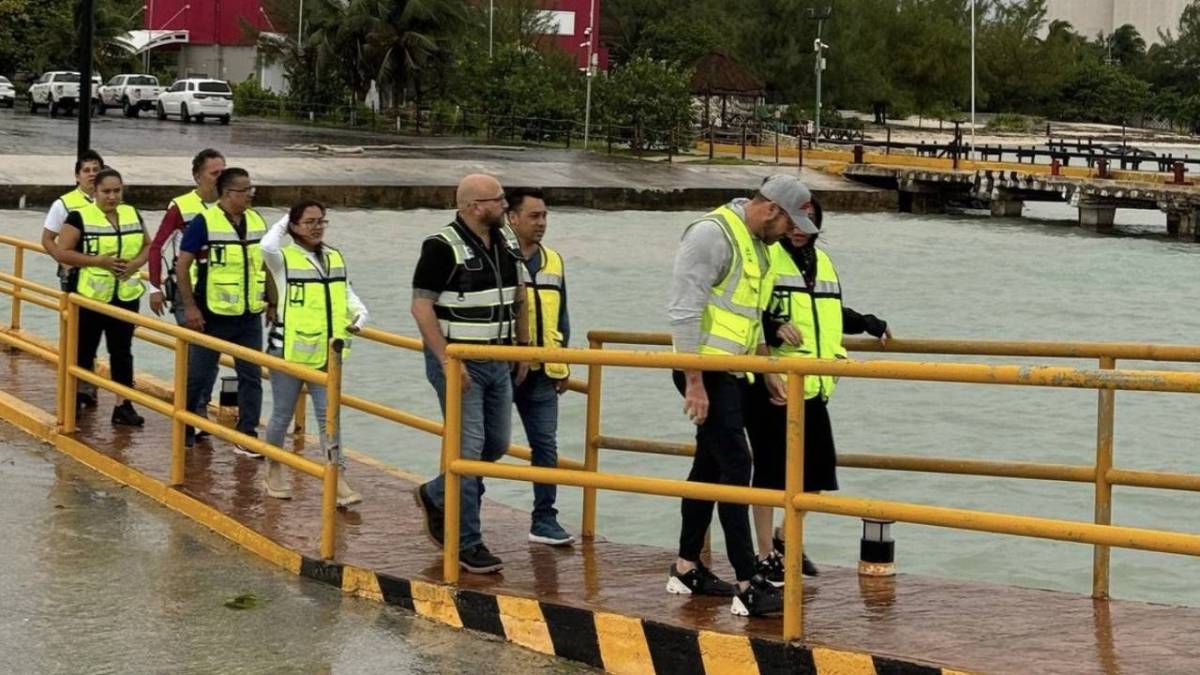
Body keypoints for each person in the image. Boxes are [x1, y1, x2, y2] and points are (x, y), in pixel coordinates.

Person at [665, 174, 816, 618]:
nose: (792, 236)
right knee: (737, 465)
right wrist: (693, 381)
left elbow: (749, 317)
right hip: (704, 370)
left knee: (708, 468)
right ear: (771, 209)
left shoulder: (761, 246)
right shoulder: (712, 234)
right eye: (790, 225)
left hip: (732, 371)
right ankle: (748, 582)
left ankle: (685, 566)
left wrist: (765, 369)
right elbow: (684, 308)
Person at [746, 198, 891, 583]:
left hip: (815, 386)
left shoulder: (823, 264)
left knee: (817, 474)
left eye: (807, 222)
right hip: (775, 380)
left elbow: (827, 313)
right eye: (793, 220)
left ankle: (784, 536)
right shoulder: (766, 257)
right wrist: (774, 325)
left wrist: (869, 323)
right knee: (769, 471)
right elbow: (744, 307)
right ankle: (765, 554)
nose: (798, 228)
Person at [410, 173, 530, 575]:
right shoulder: (442, 247)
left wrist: (524, 347)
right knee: (469, 449)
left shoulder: (508, 240)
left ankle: (435, 492)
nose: (504, 206)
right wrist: (446, 360)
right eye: (497, 200)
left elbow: (520, 294)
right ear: (473, 207)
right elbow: (421, 307)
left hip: (498, 356)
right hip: (459, 360)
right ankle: (467, 540)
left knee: (495, 445)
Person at [260, 200, 368, 506]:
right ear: (293, 227)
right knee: (282, 413)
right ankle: (273, 467)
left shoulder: (334, 257)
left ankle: (337, 478)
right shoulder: (282, 259)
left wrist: (360, 316)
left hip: (326, 352)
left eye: (321, 221)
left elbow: (348, 293)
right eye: (309, 222)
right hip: (289, 351)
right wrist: (287, 219)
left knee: (328, 417)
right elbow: (266, 245)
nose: (317, 227)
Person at [175, 168, 267, 453]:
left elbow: (267, 265)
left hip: (249, 314)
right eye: (245, 190)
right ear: (228, 193)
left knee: (251, 376)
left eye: (252, 189)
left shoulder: (256, 221)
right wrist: (190, 307)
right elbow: (182, 266)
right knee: (198, 375)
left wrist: (272, 303)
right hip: (211, 315)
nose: (251, 194)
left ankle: (247, 434)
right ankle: (185, 426)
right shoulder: (205, 222)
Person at [52, 168, 148, 426]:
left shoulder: (131, 213)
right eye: (106, 191)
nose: (112, 196)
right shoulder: (79, 217)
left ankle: (123, 404)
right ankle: (75, 397)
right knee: (83, 350)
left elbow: (148, 245)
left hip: (124, 296)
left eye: (117, 191)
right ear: (95, 191)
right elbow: (63, 252)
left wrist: (135, 264)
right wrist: (98, 261)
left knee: (122, 352)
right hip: (90, 297)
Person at [505, 187, 574, 546]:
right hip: (503, 369)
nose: (542, 223)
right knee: (486, 444)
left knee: (545, 445)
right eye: (534, 216)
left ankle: (544, 518)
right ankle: (457, 506)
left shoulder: (554, 261)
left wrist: (564, 363)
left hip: (544, 371)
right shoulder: (497, 258)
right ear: (511, 218)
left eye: (545, 216)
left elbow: (562, 316)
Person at [42, 150, 105, 405]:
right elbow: (47, 239)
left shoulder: (110, 201)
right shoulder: (65, 204)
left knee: (99, 333)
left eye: (96, 170)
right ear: (77, 176)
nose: (92, 175)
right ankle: (75, 386)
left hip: (103, 277)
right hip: (76, 276)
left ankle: (88, 385)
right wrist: (64, 261)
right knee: (77, 332)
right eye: (87, 170)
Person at [147, 148, 226, 323]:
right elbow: (157, 248)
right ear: (197, 177)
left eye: (224, 173)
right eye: (214, 173)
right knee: (194, 347)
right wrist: (154, 288)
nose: (221, 178)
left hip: (219, 290)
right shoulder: (180, 207)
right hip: (187, 289)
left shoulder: (231, 205)